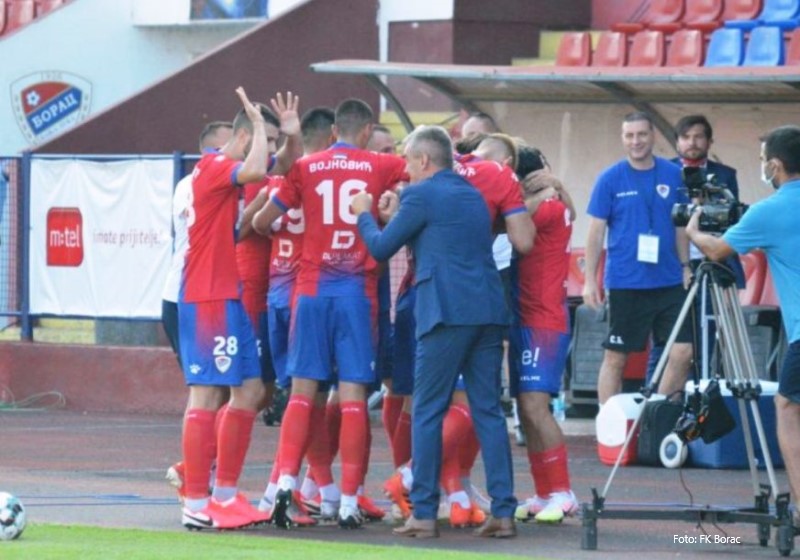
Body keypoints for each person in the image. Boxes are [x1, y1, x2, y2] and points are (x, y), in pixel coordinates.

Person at [353, 125, 518, 539]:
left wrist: (363, 213)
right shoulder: (472, 195)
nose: (406, 169)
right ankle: (504, 511)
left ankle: (424, 513)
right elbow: (442, 235)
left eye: (409, 160)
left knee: (427, 410)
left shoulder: (421, 195)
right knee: (488, 411)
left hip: (444, 312)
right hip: (486, 308)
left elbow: (381, 247)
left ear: (424, 159)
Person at [252, 98, 407, 529]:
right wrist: (391, 201)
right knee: (353, 397)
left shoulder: (306, 167)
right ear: (367, 130)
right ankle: (349, 501)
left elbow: (263, 222)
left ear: (334, 131)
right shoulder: (382, 164)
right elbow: (422, 172)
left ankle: (286, 484)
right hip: (357, 293)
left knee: (302, 394)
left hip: (310, 291)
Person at [177, 88, 299, 531]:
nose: (269, 149)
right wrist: (261, 129)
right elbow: (255, 169)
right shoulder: (213, 166)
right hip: (207, 294)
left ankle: (225, 495)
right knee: (206, 395)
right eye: (265, 139)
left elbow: (280, 166)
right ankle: (196, 501)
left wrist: (290, 135)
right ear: (246, 137)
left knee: (248, 390)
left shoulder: (223, 168)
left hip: (226, 293)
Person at [685, 125, 800, 527]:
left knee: (788, 407)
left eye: (764, 160)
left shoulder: (770, 209)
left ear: (776, 165)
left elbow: (718, 250)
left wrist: (693, 230)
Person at [583, 111, 693, 405]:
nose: (636, 141)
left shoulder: (673, 174)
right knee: (616, 357)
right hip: (627, 282)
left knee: (683, 352)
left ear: (653, 135)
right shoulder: (610, 178)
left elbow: (680, 225)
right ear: (622, 138)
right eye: (629, 135)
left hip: (669, 281)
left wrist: (685, 265)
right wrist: (589, 280)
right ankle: (608, 423)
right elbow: (595, 231)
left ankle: (656, 417)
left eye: (642, 134)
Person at [646, 114, 745, 383]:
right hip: (671, 266)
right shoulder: (662, 171)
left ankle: (699, 391)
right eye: (686, 137)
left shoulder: (725, 175)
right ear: (677, 141)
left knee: (707, 333)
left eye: (698, 136)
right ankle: (656, 398)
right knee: (666, 335)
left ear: (709, 141)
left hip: (712, 262)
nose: (692, 142)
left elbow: (731, 220)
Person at [510, 171, 578, 524]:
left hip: (543, 320)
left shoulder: (546, 207)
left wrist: (541, 192)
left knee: (536, 407)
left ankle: (563, 492)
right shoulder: (551, 200)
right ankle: (543, 492)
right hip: (526, 316)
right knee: (525, 410)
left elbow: (515, 223)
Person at [161, 122, 233, 363]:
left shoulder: (232, 183)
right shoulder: (189, 184)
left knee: (220, 376)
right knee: (202, 375)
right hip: (184, 296)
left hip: (215, 294)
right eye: (226, 147)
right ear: (209, 152)